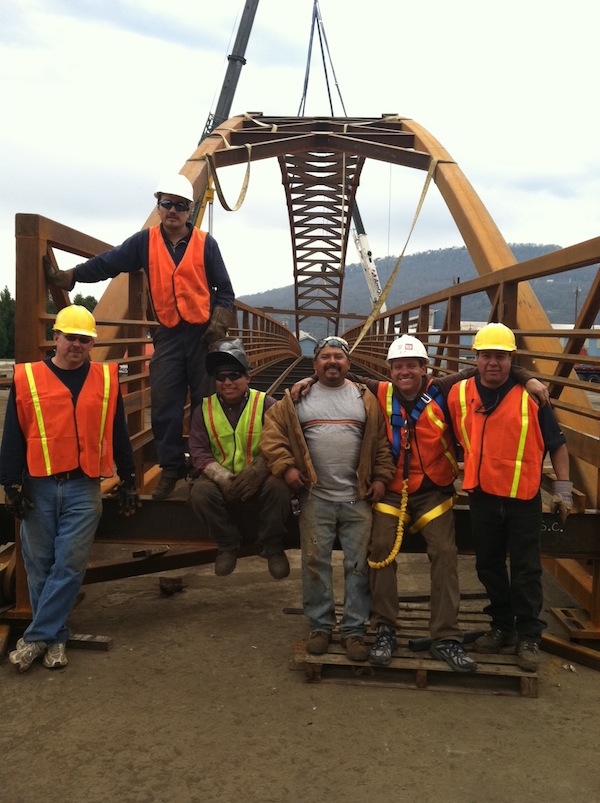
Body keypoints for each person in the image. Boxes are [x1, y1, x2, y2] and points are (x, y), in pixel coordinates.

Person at [292, 335, 550, 672]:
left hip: (433, 491)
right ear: (390, 370)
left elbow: (487, 368)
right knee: (381, 549)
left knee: (444, 553)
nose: (405, 372)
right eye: (398, 367)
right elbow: (340, 372)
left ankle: (446, 637)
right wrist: (310, 377)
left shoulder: (443, 390)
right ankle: (384, 628)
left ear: (424, 368)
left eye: (411, 365)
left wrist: (525, 376)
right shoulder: (380, 391)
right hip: (391, 491)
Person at [45, 174, 235, 500]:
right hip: (170, 334)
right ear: (158, 206)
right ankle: (171, 468)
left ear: (189, 210)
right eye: (166, 204)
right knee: (164, 402)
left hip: (203, 335)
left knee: (207, 405)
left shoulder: (207, 244)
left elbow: (225, 292)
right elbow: (110, 262)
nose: (172, 210)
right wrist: (73, 276)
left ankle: (205, 464)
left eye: (179, 205)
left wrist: (217, 326)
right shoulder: (144, 242)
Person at [1, 305, 140, 673]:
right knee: (39, 564)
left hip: (84, 486)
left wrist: (128, 476)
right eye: (70, 337)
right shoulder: (28, 378)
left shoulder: (106, 380)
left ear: (92, 343)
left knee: (70, 562)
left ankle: (34, 639)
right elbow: (14, 433)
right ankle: (56, 636)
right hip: (39, 484)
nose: (76, 345)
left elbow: (119, 432)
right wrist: (9, 484)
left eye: (84, 339)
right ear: (56, 339)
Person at [446, 322, 572, 672]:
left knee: (526, 569)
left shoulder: (532, 397)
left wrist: (563, 490)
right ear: (477, 359)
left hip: (522, 498)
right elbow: (412, 390)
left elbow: (558, 446)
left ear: (510, 360)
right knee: (487, 565)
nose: (493, 363)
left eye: (501, 357)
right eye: (486, 356)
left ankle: (529, 635)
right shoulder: (458, 394)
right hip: (482, 496)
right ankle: (502, 626)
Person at [260, 336, 395, 662]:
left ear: (349, 364)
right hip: (315, 497)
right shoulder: (295, 399)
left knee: (357, 565)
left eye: (338, 357)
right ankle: (320, 627)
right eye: (324, 357)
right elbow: (272, 433)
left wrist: (380, 477)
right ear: (314, 363)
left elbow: (379, 443)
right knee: (315, 563)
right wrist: (286, 467)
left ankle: (353, 631)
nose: (332, 362)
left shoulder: (365, 399)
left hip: (357, 497)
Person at [188, 339, 291, 580]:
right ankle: (227, 544)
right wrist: (220, 476)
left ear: (247, 377)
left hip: (259, 478)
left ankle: (273, 545)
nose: (227, 382)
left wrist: (260, 470)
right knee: (199, 494)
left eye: (234, 375)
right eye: (220, 377)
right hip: (221, 480)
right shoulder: (203, 409)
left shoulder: (267, 404)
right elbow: (198, 449)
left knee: (280, 489)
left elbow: (282, 442)